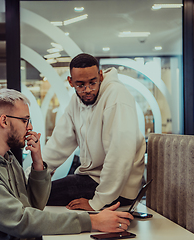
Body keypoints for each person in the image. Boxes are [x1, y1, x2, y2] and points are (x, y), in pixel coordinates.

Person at [0, 88, 133, 239]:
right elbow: (20, 221)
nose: (30, 128)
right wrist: (92, 221)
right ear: (4, 121)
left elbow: (33, 206)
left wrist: (38, 163)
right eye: (25, 120)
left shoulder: (7, 159)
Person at [43, 53, 146, 211]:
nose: (88, 90)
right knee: (36, 192)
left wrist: (96, 202)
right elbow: (58, 144)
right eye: (81, 85)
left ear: (101, 76)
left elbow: (120, 153)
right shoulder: (76, 102)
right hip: (92, 179)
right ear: (71, 82)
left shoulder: (117, 96)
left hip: (119, 190)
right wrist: (35, 172)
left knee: (38, 196)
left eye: (93, 83)